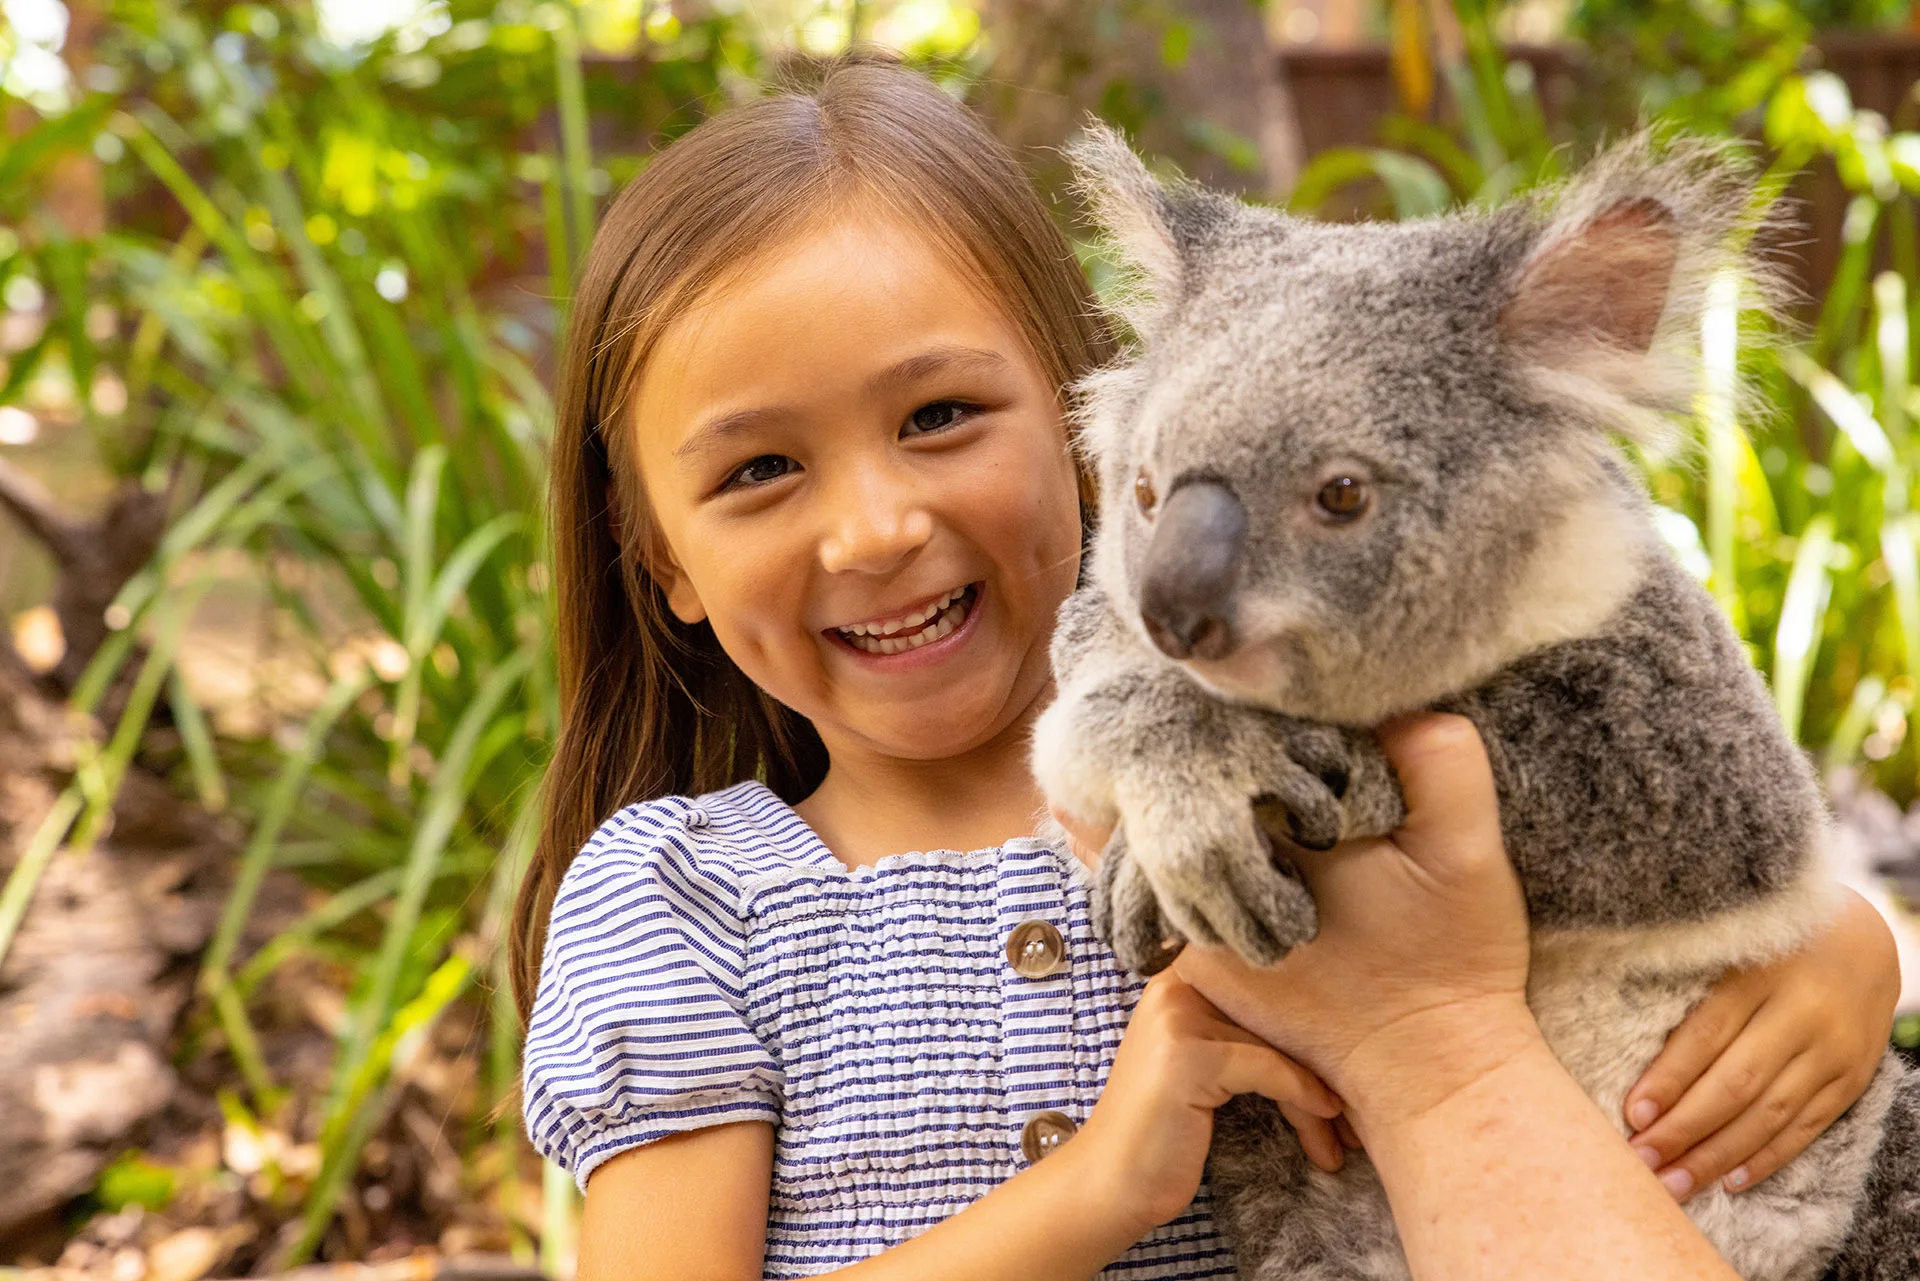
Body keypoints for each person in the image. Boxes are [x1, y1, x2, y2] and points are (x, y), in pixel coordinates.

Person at [508, 51, 1901, 1281]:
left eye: (939, 415)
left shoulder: (1330, 735)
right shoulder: (682, 906)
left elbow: (1622, 864)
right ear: (661, 562)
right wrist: (1100, 1190)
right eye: (759, 470)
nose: (878, 528)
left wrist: (1836, 951)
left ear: (1091, 419)